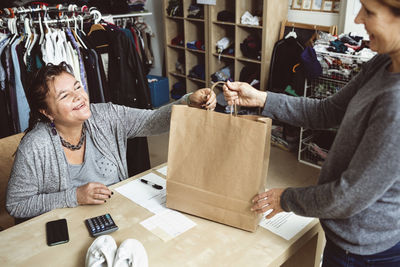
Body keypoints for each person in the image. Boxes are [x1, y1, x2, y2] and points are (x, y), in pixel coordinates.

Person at [223, 0, 400, 266]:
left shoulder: (396, 104)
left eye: (369, 12)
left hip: (364, 252)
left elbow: (349, 195)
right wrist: (261, 98)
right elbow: (327, 111)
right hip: (347, 237)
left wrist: (287, 199)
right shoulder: (382, 63)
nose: (358, 19)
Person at [6, 62, 216, 220]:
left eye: (78, 87)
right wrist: (75, 196)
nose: (78, 96)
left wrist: (188, 101)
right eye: (64, 96)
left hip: (117, 216)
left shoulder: (106, 115)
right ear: (47, 112)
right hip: (69, 228)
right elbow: (16, 204)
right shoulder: (35, 146)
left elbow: (153, 121)